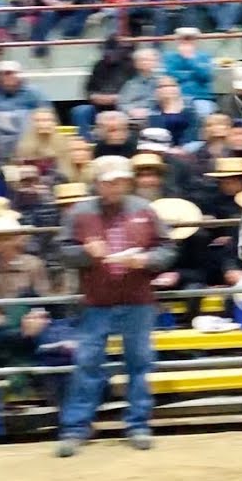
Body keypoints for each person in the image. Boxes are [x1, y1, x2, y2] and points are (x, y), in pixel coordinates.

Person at [54, 155, 176, 457]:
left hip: (135, 300)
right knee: (87, 364)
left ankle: (137, 424)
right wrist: (86, 253)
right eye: (110, 181)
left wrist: (147, 260)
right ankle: (76, 428)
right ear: (98, 183)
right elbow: (62, 250)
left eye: (121, 180)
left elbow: (168, 247)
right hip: (98, 301)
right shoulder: (81, 213)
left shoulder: (144, 210)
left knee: (137, 363)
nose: (116, 186)